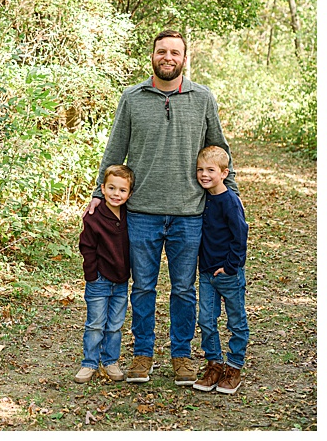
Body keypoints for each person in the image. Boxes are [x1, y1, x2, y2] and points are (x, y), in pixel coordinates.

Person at [89, 30, 236, 385]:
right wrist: (98, 191)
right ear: (152, 55)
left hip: (189, 213)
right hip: (142, 213)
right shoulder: (132, 97)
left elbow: (219, 146)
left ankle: (182, 356)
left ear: (184, 58)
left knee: (184, 289)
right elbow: (115, 149)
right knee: (142, 288)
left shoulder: (202, 98)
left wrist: (228, 193)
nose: (167, 57)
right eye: (162, 51)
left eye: (175, 52)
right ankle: (142, 354)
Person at [191, 145, 249, 395]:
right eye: (200, 170)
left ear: (224, 173)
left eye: (210, 170)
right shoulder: (203, 199)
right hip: (206, 273)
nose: (204, 174)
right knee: (206, 319)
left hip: (228, 274)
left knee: (235, 320)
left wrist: (230, 266)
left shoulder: (229, 201)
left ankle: (234, 366)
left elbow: (240, 235)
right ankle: (214, 363)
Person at [76, 164, 133, 383]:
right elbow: (87, 246)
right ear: (102, 188)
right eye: (111, 188)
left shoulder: (130, 217)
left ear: (129, 194)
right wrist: (92, 274)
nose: (116, 194)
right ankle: (89, 363)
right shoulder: (94, 216)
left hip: (120, 280)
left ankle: (111, 361)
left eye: (122, 190)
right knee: (95, 324)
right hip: (99, 279)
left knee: (115, 325)